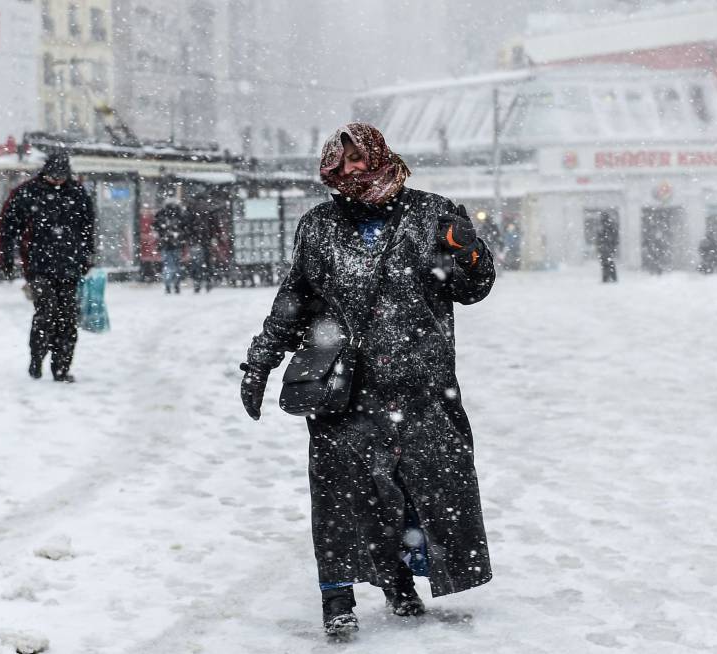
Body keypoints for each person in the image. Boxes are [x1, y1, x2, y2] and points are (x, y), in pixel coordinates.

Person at [239, 123, 495, 636]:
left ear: (381, 155)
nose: (355, 169)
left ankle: (399, 580)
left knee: (417, 488)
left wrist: (467, 251)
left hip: (421, 385)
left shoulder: (430, 214)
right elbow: (295, 298)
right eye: (345, 161)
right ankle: (336, 597)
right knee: (339, 493)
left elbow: (474, 287)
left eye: (362, 158)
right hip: (342, 385)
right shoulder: (318, 225)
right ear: (333, 169)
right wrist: (260, 360)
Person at [0, 149, 95, 383]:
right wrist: (6, 259)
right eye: (54, 176)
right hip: (38, 267)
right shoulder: (27, 193)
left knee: (68, 319)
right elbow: (7, 226)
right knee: (46, 314)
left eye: (63, 176)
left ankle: (61, 368)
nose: (58, 180)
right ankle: (37, 357)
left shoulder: (78, 193)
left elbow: (87, 228)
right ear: (46, 172)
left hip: (70, 267)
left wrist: (87, 256)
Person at [154, 198, 187, 294]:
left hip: (165, 243)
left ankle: (167, 285)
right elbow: (185, 227)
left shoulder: (161, 214)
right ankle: (176, 285)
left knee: (168, 265)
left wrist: (162, 235)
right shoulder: (179, 214)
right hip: (177, 243)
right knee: (176, 265)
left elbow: (156, 227)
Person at [596, 211, 619, 283]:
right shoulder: (609, 225)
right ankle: (610, 277)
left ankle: (607, 278)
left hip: (606, 246)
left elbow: (603, 236)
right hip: (607, 246)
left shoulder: (606, 226)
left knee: (606, 262)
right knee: (608, 262)